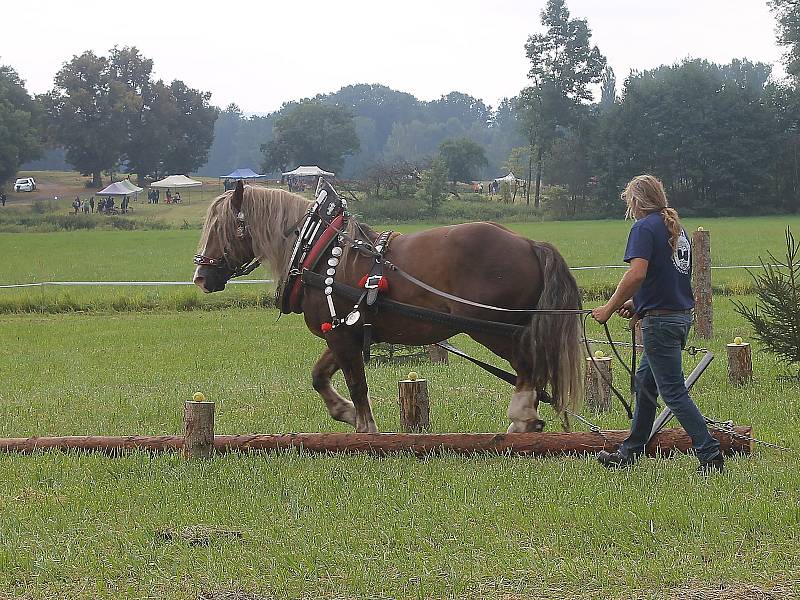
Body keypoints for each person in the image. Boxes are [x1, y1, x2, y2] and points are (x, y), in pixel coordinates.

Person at [591, 174, 724, 474]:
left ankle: (710, 453)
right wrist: (636, 304)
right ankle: (631, 451)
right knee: (645, 385)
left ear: (637, 200)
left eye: (629, 201)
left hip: (660, 324)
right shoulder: (675, 228)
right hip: (677, 318)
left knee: (673, 392)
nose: (630, 207)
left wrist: (609, 308)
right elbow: (668, 279)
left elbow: (637, 274)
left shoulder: (643, 228)